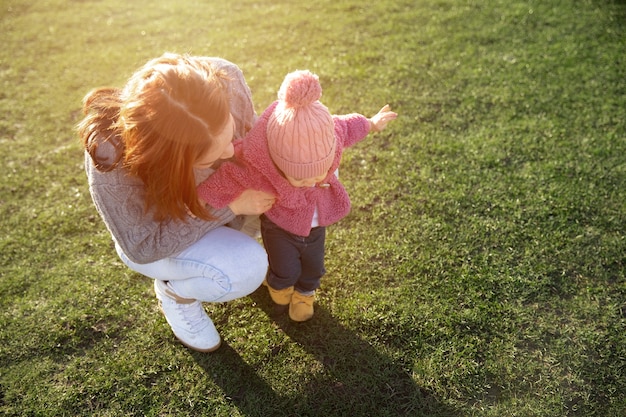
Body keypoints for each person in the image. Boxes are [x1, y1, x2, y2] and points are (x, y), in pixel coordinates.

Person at [77, 53, 276, 352]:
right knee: (245, 267)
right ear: (170, 162)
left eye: (228, 132)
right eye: (210, 154)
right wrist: (231, 207)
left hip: (219, 201)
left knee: (302, 168)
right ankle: (176, 293)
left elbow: (256, 146)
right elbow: (143, 246)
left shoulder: (226, 79)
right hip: (161, 235)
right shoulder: (111, 161)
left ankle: (247, 244)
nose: (228, 152)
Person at [197, 70, 397, 322]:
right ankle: (279, 284)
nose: (310, 182)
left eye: (319, 173)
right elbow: (231, 176)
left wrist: (372, 123)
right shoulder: (261, 162)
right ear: (279, 166)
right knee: (284, 266)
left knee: (314, 265)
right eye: (300, 178)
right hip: (279, 224)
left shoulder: (330, 133)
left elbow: (348, 126)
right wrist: (202, 195)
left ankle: (305, 293)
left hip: (315, 226)